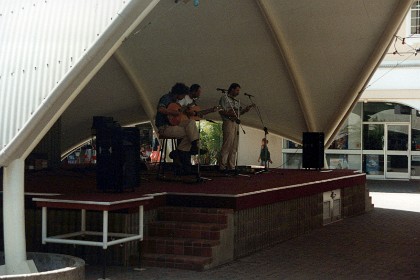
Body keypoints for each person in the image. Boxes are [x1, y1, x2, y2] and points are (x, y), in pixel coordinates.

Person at [155, 82, 204, 175]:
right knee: (190, 134)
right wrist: (174, 113)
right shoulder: (166, 98)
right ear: (179, 93)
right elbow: (160, 109)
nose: (183, 97)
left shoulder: (175, 101)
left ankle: (180, 152)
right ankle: (189, 148)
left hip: (173, 125)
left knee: (191, 122)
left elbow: (178, 113)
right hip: (164, 127)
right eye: (183, 95)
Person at [218, 83, 253, 172]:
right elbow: (221, 110)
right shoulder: (224, 98)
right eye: (237, 90)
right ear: (232, 89)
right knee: (227, 144)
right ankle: (222, 166)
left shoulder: (236, 101)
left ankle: (231, 166)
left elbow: (238, 113)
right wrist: (230, 114)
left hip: (235, 123)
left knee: (234, 145)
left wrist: (245, 110)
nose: (238, 92)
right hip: (228, 122)